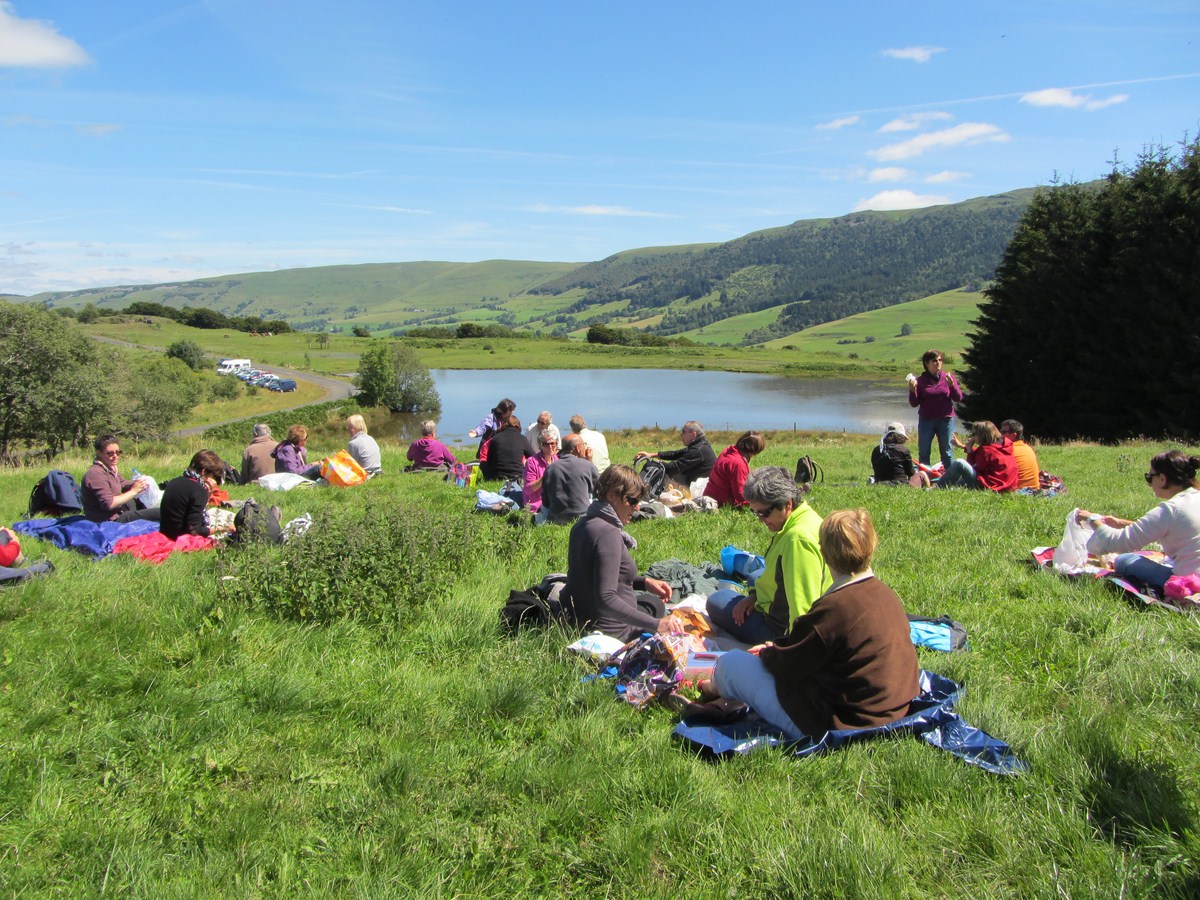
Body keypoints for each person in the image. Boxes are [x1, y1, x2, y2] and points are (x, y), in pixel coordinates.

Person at [700, 509, 920, 742]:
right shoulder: (886, 594)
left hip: (839, 724)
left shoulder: (834, 608)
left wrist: (768, 654)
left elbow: (789, 667)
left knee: (732, 663)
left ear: (824, 552)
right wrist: (776, 650)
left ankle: (711, 688)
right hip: (893, 711)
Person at [706, 467, 831, 643]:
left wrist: (786, 650)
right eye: (755, 512)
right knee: (756, 577)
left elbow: (803, 608)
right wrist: (755, 596)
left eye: (764, 513)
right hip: (781, 601)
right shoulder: (807, 517)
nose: (760, 520)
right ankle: (756, 595)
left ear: (787, 503)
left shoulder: (797, 541)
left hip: (778, 628)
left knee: (716, 600)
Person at [562, 465, 682, 641]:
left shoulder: (582, 524)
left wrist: (645, 583)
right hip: (612, 630)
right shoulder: (608, 533)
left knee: (652, 602)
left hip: (579, 619)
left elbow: (595, 577)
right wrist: (658, 625)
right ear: (612, 496)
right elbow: (606, 599)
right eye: (632, 501)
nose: (637, 507)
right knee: (655, 607)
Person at [1076, 450, 1200, 593]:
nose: (1149, 484)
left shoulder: (1171, 509)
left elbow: (1117, 542)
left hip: (1190, 583)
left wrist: (1092, 519)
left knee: (1124, 560)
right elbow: (1178, 529)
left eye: (1149, 477)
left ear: (1162, 479)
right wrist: (1122, 523)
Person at [81, 435, 160, 523]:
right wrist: (134, 491)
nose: (115, 456)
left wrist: (138, 483)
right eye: (110, 453)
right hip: (109, 520)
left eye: (118, 452)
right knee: (161, 512)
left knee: (154, 504)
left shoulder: (110, 468)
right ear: (99, 453)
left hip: (120, 511)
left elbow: (122, 483)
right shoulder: (96, 474)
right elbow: (109, 504)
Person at [907, 349, 963, 470]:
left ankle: (949, 478)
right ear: (927, 363)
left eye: (940, 360)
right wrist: (912, 390)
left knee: (947, 451)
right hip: (926, 421)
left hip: (946, 420)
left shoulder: (948, 377)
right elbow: (914, 403)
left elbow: (958, 398)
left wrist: (952, 386)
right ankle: (925, 478)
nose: (938, 363)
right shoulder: (920, 381)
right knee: (924, 451)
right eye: (934, 360)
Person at [159, 450, 234, 540]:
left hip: (166, 533)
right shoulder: (198, 490)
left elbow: (195, 510)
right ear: (203, 472)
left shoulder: (175, 481)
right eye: (214, 476)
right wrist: (224, 529)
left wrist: (209, 493)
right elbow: (195, 531)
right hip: (181, 538)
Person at [934, 420, 1018, 492]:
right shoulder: (1005, 445)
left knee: (959, 463)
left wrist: (970, 451)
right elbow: (983, 456)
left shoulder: (986, 450)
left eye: (974, 434)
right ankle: (952, 487)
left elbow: (973, 467)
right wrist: (966, 448)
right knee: (960, 477)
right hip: (1008, 486)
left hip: (992, 487)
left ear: (982, 435)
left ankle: (937, 488)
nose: (972, 436)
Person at [538, 433, 600, 525]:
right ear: (578, 448)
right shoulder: (588, 466)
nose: (585, 448)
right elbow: (599, 492)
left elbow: (545, 501)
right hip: (582, 518)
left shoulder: (551, 468)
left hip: (556, 518)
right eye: (584, 445)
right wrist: (589, 461)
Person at [633, 421, 716, 485]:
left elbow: (673, 468)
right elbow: (677, 453)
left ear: (693, 435)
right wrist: (652, 455)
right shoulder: (700, 444)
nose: (681, 434)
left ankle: (642, 490)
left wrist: (656, 463)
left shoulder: (697, 450)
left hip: (698, 486)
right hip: (696, 480)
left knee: (661, 473)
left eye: (683, 431)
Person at [704, 431, 766, 507]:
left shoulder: (728, 451)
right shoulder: (738, 464)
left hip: (710, 495)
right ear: (754, 453)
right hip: (722, 502)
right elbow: (740, 496)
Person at [870, 422, 929, 488]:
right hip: (900, 485)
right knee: (922, 474)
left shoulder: (876, 450)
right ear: (900, 437)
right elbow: (911, 473)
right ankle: (928, 490)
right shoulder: (903, 450)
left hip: (880, 483)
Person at [480, 415, 535, 481]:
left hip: (497, 476)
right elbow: (534, 457)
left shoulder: (495, 438)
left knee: (483, 463)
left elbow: (489, 461)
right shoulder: (523, 439)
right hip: (518, 475)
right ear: (519, 426)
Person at [522, 430, 559, 514]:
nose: (550, 447)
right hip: (537, 504)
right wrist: (546, 476)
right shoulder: (532, 461)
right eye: (546, 444)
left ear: (556, 444)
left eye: (552, 443)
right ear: (540, 445)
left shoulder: (556, 459)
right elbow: (528, 489)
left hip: (553, 502)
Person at [1000, 419, 1040, 490]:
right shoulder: (1028, 448)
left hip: (1017, 490)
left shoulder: (1008, 449)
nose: (1000, 435)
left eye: (1003, 432)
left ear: (1013, 435)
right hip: (1035, 489)